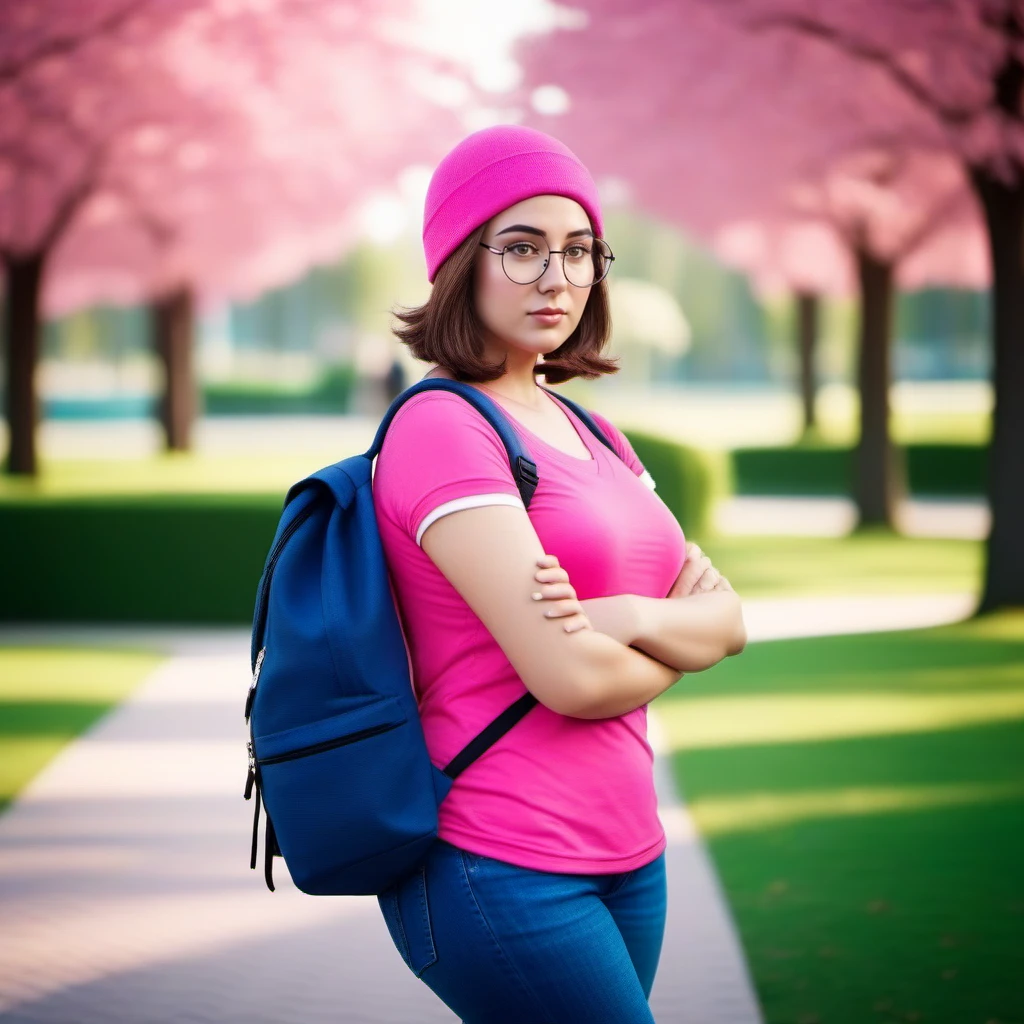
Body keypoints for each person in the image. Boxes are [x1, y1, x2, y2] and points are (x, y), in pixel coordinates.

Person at [371, 124, 746, 1024]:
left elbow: (730, 619)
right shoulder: (443, 429)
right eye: (524, 248)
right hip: (498, 859)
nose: (558, 277)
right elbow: (573, 678)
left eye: (579, 251)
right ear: (460, 260)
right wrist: (673, 637)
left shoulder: (596, 433)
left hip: (631, 854)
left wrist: (616, 615)